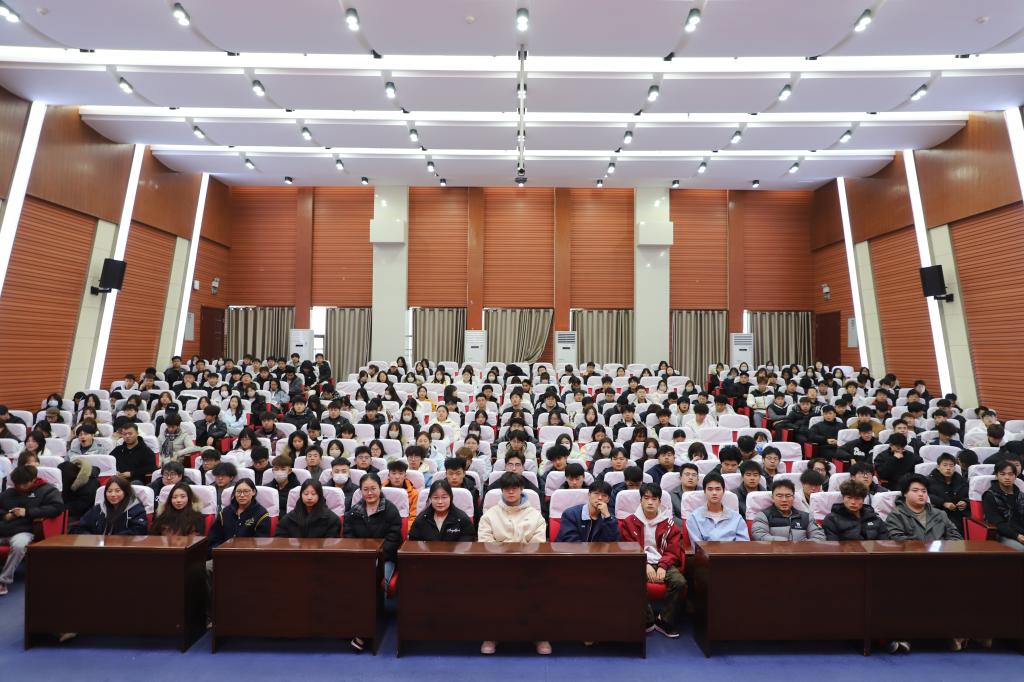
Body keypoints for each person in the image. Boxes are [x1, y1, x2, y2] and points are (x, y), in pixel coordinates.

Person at [477, 472, 549, 656]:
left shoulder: (536, 516)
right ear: (501, 490)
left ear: (521, 489)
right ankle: (491, 636)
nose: (511, 492)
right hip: (498, 567)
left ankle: (539, 636)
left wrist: (507, 545)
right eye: (507, 488)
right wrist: (514, 547)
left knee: (541, 589)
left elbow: (538, 543)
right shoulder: (489, 515)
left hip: (529, 566)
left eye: (514, 488)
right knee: (491, 591)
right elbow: (485, 543)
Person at [344, 473, 402, 652]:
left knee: (374, 584)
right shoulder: (354, 511)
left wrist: (377, 557)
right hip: (360, 559)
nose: (369, 493)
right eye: (365, 489)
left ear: (380, 488)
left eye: (373, 489)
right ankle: (353, 623)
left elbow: (394, 539)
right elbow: (348, 536)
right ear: (360, 491)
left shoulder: (391, 510)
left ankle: (367, 629)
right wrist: (362, 556)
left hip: (385, 558)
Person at [618, 482, 685, 638]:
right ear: (640, 500)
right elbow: (628, 548)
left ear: (659, 502)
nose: (650, 502)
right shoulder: (629, 522)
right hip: (639, 562)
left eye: (654, 499)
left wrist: (663, 565)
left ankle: (664, 621)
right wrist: (645, 564)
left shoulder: (669, 524)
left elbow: (674, 550)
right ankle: (647, 620)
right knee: (631, 581)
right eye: (646, 498)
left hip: (664, 562)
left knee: (680, 583)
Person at [0, 465, 64, 595]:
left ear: (34, 479)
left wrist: (28, 512)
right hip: (4, 528)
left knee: (19, 545)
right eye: (17, 484)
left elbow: (57, 508)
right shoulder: (9, 492)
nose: (20, 487)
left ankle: (3, 581)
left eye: (24, 484)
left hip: (25, 529)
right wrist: (4, 515)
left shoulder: (48, 490)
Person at [886, 473, 962, 541]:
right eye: (915, 490)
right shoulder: (896, 516)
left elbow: (955, 537)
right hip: (912, 552)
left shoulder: (940, 514)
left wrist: (943, 548)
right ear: (905, 493)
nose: (921, 494)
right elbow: (897, 540)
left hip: (940, 551)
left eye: (924, 491)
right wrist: (925, 547)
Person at [751, 479, 825, 541]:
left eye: (788, 496)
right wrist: (787, 543)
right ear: (773, 498)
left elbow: (819, 536)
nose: (784, 500)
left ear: (793, 498)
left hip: (801, 552)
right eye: (779, 496)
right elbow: (760, 535)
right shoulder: (763, 516)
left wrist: (802, 547)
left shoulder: (806, 517)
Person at [207, 479, 271, 550]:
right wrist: (219, 551)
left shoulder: (261, 514)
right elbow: (214, 538)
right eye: (238, 492)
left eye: (246, 491)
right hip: (224, 553)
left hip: (249, 553)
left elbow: (261, 542)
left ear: (253, 492)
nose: (242, 495)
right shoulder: (225, 512)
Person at [72, 476, 148, 536]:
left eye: (117, 491)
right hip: (99, 548)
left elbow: (139, 531)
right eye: (109, 491)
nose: (113, 494)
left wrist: (112, 539)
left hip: (125, 548)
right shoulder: (99, 509)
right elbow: (80, 527)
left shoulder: (136, 510)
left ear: (126, 492)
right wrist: (90, 537)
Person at [685, 474, 749, 542]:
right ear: (704, 492)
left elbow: (743, 544)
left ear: (723, 491)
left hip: (731, 549)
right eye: (710, 489)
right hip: (705, 549)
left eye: (718, 489)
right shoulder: (694, 517)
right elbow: (697, 545)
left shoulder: (736, 518)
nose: (714, 493)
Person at [408, 479, 476, 541]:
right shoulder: (421, 519)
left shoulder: (462, 518)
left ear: (450, 498)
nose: (440, 502)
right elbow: (413, 542)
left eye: (444, 497)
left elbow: (468, 541)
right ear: (430, 498)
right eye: (435, 498)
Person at [822, 480, 889, 540]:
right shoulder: (832, 519)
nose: (853, 502)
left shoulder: (874, 518)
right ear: (843, 498)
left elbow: (884, 542)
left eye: (857, 498)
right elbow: (833, 545)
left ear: (863, 500)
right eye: (849, 497)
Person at [275, 480, 341, 538]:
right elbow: (280, 540)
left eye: (313, 494)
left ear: (320, 496)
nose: (309, 497)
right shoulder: (289, 519)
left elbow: (331, 543)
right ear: (301, 495)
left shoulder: (332, 520)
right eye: (306, 494)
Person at [981, 460, 1024, 550]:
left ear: (1015, 476)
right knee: (1021, 549)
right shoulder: (990, 496)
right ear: (996, 476)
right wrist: (1017, 535)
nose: (1007, 477)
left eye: (1011, 474)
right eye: (1002, 474)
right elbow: (997, 522)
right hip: (1002, 534)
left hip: (1021, 531)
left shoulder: (1021, 495)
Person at [927, 452, 969, 529]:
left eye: (951, 465)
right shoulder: (929, 480)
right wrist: (943, 503)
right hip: (939, 514)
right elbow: (926, 496)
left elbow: (970, 495)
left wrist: (965, 502)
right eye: (945, 465)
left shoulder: (961, 480)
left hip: (959, 514)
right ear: (938, 467)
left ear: (954, 468)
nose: (948, 468)